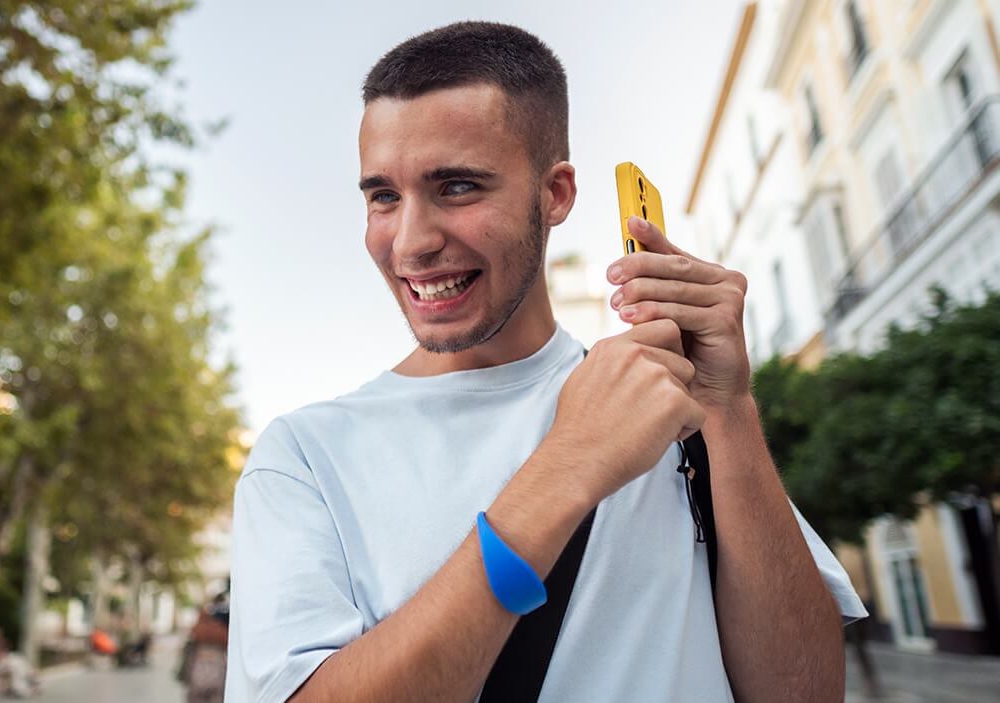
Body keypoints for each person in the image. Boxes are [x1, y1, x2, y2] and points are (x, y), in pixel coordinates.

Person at [226, 21, 867, 703]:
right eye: (383, 195)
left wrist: (728, 409)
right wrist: (567, 466)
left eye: (458, 187)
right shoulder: (302, 457)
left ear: (555, 193)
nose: (409, 242)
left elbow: (806, 691)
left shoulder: (671, 405)